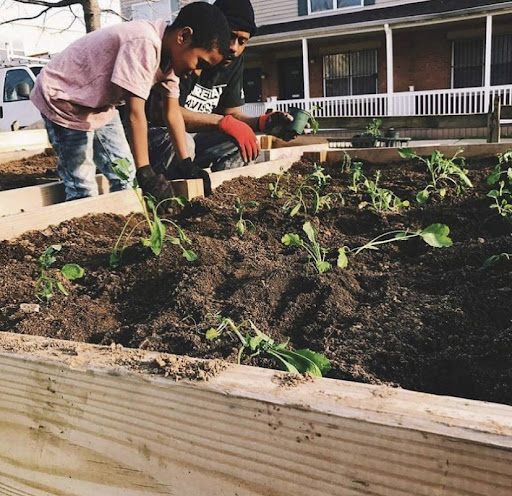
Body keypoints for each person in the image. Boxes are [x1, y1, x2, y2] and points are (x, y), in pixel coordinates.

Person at [30, 2, 231, 201]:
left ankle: (123, 213)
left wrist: (187, 164)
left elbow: (172, 114)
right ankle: (78, 214)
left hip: (99, 105)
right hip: (64, 96)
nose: (198, 72)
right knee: (82, 185)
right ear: (184, 36)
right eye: (200, 63)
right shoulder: (144, 42)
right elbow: (135, 113)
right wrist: (146, 172)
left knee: (126, 176)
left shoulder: (171, 62)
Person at [148, 0, 297, 184]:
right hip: (157, 135)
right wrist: (221, 122)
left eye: (242, 41)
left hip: (197, 137)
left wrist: (262, 122)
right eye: (230, 36)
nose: (234, 47)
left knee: (242, 142)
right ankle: (170, 196)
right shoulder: (188, 53)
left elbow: (231, 114)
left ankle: (223, 195)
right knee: (185, 143)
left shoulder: (233, 63)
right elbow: (160, 112)